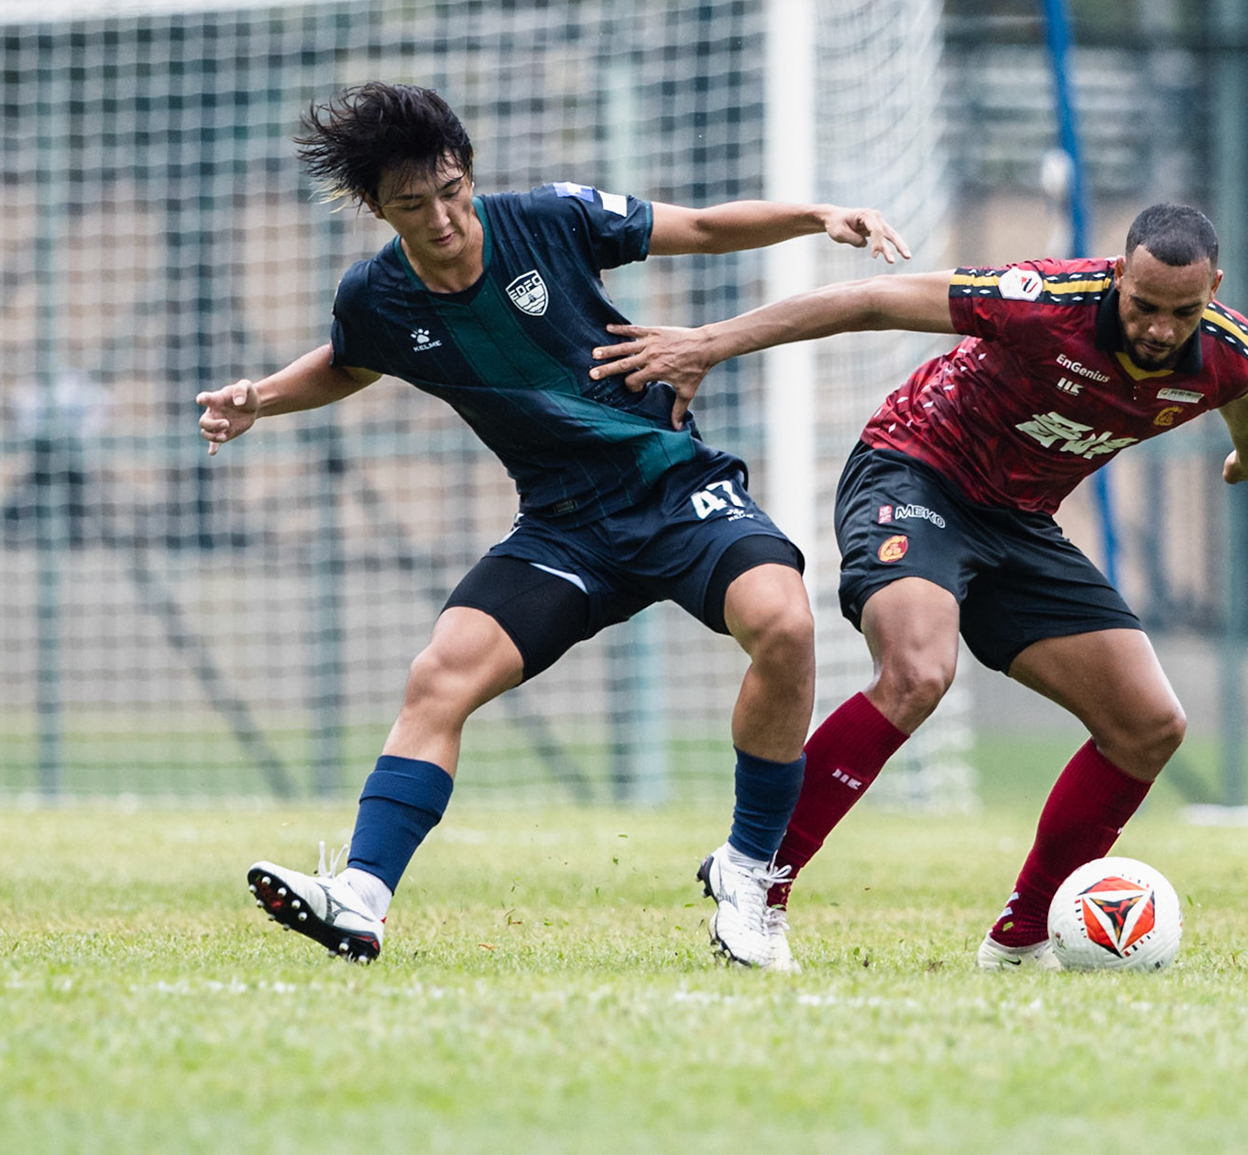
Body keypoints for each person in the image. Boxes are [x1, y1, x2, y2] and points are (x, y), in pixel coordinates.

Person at [198, 82, 908, 970]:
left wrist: (817, 216)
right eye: (414, 206)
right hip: (564, 529)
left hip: (674, 489)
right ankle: (362, 898)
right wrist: (261, 399)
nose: (444, 219)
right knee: (439, 675)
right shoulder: (377, 295)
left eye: (452, 191)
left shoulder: (551, 217)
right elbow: (348, 364)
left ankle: (749, 871)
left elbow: (703, 227)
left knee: (784, 619)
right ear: (380, 210)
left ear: (470, 172)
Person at [590, 203, 1248, 970]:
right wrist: (708, 342)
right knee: (918, 670)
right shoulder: (1039, 300)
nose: (1162, 329)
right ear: (1115, 274)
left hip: (1018, 522)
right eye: (1144, 305)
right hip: (914, 470)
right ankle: (757, 876)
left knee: (1148, 724)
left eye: (1183, 311)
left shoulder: (1231, 352)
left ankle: (1021, 938)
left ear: (1215, 291)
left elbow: (1244, 396)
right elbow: (868, 302)